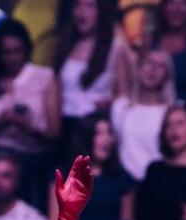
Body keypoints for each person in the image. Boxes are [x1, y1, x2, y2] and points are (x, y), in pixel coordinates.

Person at [0, 19, 61, 211]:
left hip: (32, 165)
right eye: (6, 52)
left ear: (26, 49)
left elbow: (55, 133)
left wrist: (28, 128)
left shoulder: (44, 77)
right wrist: (0, 122)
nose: (12, 58)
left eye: (17, 51)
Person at [51, 111, 133, 220]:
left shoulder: (121, 178)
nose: (106, 139)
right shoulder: (65, 177)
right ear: (86, 137)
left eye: (109, 133)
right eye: (99, 133)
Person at [54, 0, 131, 142]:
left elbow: (125, 95)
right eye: (77, 5)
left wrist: (109, 103)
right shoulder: (64, 44)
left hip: (93, 129)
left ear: (101, 11)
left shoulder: (115, 48)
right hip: (63, 126)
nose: (82, 13)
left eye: (90, 6)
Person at [109, 48, 174, 181]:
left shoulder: (171, 113)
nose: (153, 69)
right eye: (149, 63)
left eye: (160, 66)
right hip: (124, 184)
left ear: (167, 76)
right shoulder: (121, 108)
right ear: (138, 68)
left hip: (157, 183)